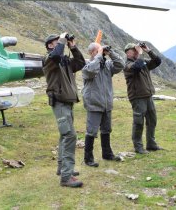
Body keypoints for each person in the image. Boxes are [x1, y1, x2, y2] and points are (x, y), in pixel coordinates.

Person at [43, 32, 85, 188]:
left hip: (68, 103)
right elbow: (55, 56)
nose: (61, 43)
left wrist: (72, 46)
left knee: (64, 135)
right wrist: (61, 39)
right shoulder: (49, 60)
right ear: (50, 45)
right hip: (59, 103)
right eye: (56, 41)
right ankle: (66, 177)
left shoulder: (64, 62)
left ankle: (62, 169)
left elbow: (80, 63)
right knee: (69, 135)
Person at [81, 43, 124, 167]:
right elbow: (92, 70)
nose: (101, 52)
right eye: (97, 51)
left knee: (106, 129)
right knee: (91, 131)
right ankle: (88, 158)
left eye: (100, 50)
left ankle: (107, 154)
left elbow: (121, 65)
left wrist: (110, 53)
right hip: (94, 103)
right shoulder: (87, 65)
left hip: (106, 103)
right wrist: (99, 55)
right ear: (91, 53)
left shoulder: (107, 65)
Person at [123, 42, 163, 154]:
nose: (136, 51)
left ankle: (151, 144)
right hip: (137, 97)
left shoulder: (143, 63)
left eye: (137, 50)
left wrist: (148, 50)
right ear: (128, 53)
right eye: (134, 50)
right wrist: (140, 54)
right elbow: (137, 67)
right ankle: (138, 147)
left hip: (148, 95)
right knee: (138, 122)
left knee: (152, 120)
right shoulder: (127, 65)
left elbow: (157, 61)